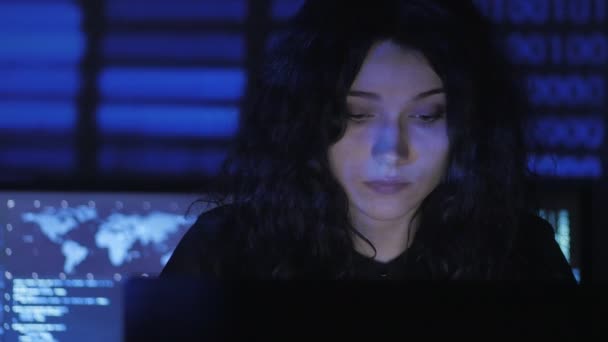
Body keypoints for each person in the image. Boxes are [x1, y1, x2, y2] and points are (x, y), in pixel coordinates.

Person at [160, 0, 576, 282]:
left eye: (426, 116)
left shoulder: (521, 256)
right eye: (357, 115)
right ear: (308, 120)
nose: (391, 152)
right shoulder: (224, 255)